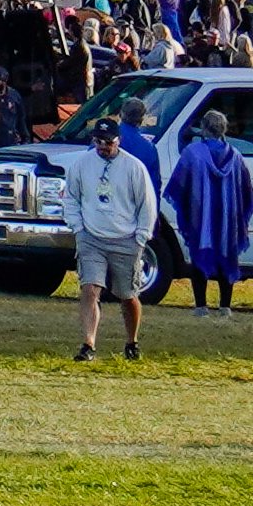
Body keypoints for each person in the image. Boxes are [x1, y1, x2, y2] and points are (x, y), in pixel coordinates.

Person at [61, 111, 162, 363]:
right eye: (98, 141)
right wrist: (78, 228)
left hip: (125, 238)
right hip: (91, 237)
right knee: (90, 288)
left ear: (118, 141)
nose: (102, 147)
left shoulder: (133, 167)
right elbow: (71, 197)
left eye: (107, 142)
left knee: (127, 295)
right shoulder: (82, 164)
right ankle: (88, 343)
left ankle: (132, 341)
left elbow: (147, 204)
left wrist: (141, 237)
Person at [169, 104, 253, 312]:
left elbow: (178, 184)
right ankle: (225, 306)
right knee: (227, 253)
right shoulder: (235, 155)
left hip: (201, 215)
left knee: (199, 253)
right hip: (228, 217)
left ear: (203, 128)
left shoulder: (193, 153)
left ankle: (201, 306)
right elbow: (247, 190)